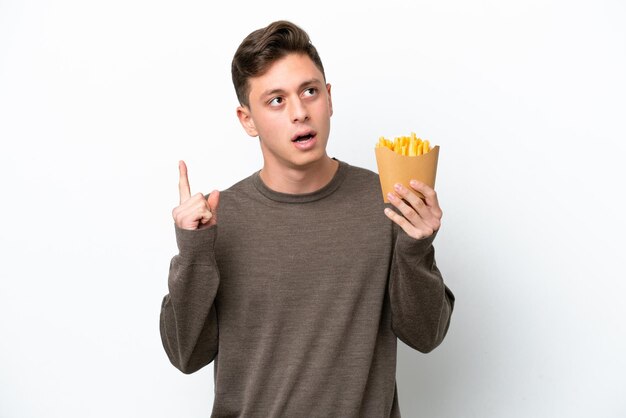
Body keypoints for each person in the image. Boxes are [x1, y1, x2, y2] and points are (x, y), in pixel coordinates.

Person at [160, 20, 455, 418]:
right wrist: (193, 255)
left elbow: (426, 335)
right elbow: (185, 355)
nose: (300, 112)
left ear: (329, 99)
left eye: (310, 92)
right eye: (276, 100)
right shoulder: (217, 219)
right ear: (247, 120)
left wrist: (416, 248)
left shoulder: (387, 200)